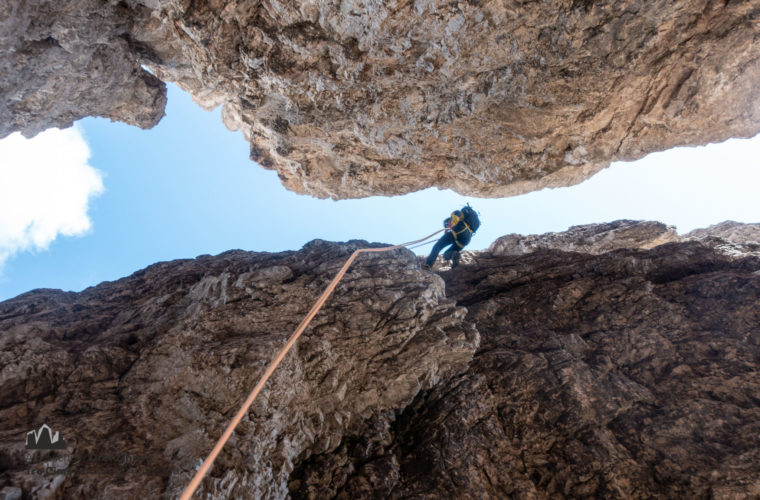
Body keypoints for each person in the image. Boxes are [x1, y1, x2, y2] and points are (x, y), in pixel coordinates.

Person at [424, 204, 480, 269]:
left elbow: (457, 213)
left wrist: (453, 223)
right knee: (446, 255)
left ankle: (427, 265)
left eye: (447, 224)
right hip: (466, 239)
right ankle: (454, 255)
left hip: (460, 229)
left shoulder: (454, 216)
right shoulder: (468, 220)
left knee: (437, 246)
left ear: (449, 220)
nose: (447, 226)